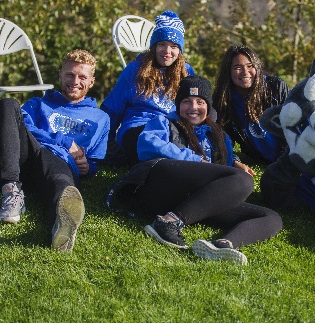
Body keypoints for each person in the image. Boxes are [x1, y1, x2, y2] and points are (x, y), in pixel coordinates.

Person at [107, 75, 282, 264]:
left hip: (194, 200)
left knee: (271, 217)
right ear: (178, 104)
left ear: (208, 106)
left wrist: (234, 164)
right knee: (242, 180)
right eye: (186, 101)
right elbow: (147, 145)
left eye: (200, 102)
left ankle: (222, 245)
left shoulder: (219, 136)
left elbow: (224, 171)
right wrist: (197, 160)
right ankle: (168, 222)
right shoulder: (164, 121)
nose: (193, 108)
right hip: (159, 183)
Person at [0, 49, 110, 252]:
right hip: (25, 158)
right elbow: (23, 125)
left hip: (59, 164)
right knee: (7, 104)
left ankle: (61, 227)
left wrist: (87, 168)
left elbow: (95, 161)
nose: (75, 81)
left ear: (91, 81)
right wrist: (63, 141)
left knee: (62, 185)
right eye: (70, 74)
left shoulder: (100, 118)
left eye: (83, 77)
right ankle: (11, 192)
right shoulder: (38, 104)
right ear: (60, 76)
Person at [101, 10, 194, 166]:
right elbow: (111, 109)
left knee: (173, 139)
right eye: (162, 44)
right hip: (138, 128)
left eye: (173, 46)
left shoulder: (186, 72)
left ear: (180, 50)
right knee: (149, 142)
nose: (167, 51)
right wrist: (106, 144)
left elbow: (196, 106)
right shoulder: (134, 70)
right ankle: (183, 162)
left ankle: (175, 164)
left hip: (171, 130)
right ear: (154, 46)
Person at [213, 44, 289, 163]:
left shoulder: (276, 87)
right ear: (228, 71)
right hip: (257, 159)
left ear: (257, 67)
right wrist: (235, 161)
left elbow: (292, 126)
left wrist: (285, 161)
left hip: (288, 156)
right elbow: (222, 139)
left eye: (250, 66)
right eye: (237, 67)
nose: (245, 72)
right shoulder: (223, 100)